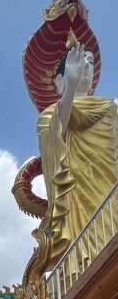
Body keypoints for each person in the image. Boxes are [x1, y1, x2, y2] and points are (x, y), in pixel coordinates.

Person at [37, 41, 118, 269]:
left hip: (109, 192)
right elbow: (54, 140)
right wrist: (71, 88)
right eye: (79, 63)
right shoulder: (50, 116)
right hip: (76, 199)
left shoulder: (111, 110)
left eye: (90, 63)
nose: (86, 67)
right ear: (59, 81)